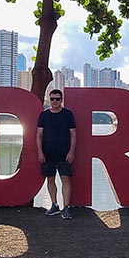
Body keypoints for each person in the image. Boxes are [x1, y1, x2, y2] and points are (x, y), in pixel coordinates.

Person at [36, 88, 76, 219]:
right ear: (49, 99)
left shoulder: (68, 114)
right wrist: (40, 152)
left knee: (65, 179)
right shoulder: (44, 115)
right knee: (50, 179)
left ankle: (66, 208)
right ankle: (54, 205)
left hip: (64, 154)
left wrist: (71, 152)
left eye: (57, 99)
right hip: (48, 154)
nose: (54, 101)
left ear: (61, 100)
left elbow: (73, 134)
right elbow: (39, 134)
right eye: (52, 99)